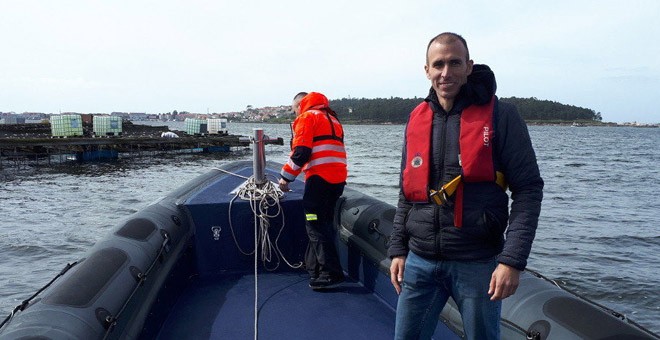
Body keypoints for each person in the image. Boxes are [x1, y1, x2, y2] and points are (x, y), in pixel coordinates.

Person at [388, 32, 544, 340]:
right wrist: (397, 248)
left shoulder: (502, 115)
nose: (446, 73)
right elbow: (407, 192)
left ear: (469, 66)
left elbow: (528, 190)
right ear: (427, 70)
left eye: (454, 63)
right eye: (438, 64)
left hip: (477, 263)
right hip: (420, 261)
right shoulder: (416, 119)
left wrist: (512, 260)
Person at [279, 91, 348, 290]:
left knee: (314, 224)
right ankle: (314, 268)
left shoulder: (307, 117)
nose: (295, 115)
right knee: (323, 223)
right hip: (337, 180)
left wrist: (285, 177)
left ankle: (330, 273)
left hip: (319, 179)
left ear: (300, 105)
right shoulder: (333, 119)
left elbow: (301, 152)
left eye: (294, 111)